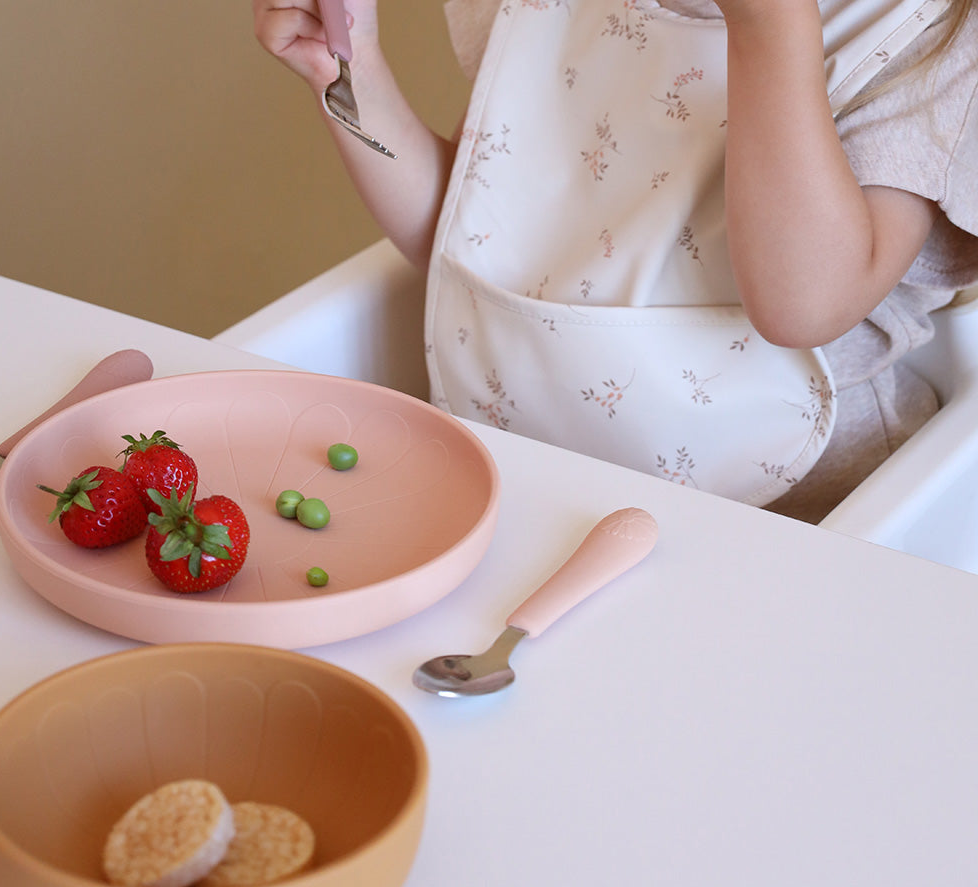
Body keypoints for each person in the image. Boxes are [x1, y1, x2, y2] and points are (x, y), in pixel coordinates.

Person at [252, 0, 978, 522]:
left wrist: (771, 25)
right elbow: (477, 229)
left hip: (800, 523)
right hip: (538, 487)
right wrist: (349, 77)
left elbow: (804, 305)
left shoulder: (926, 35)